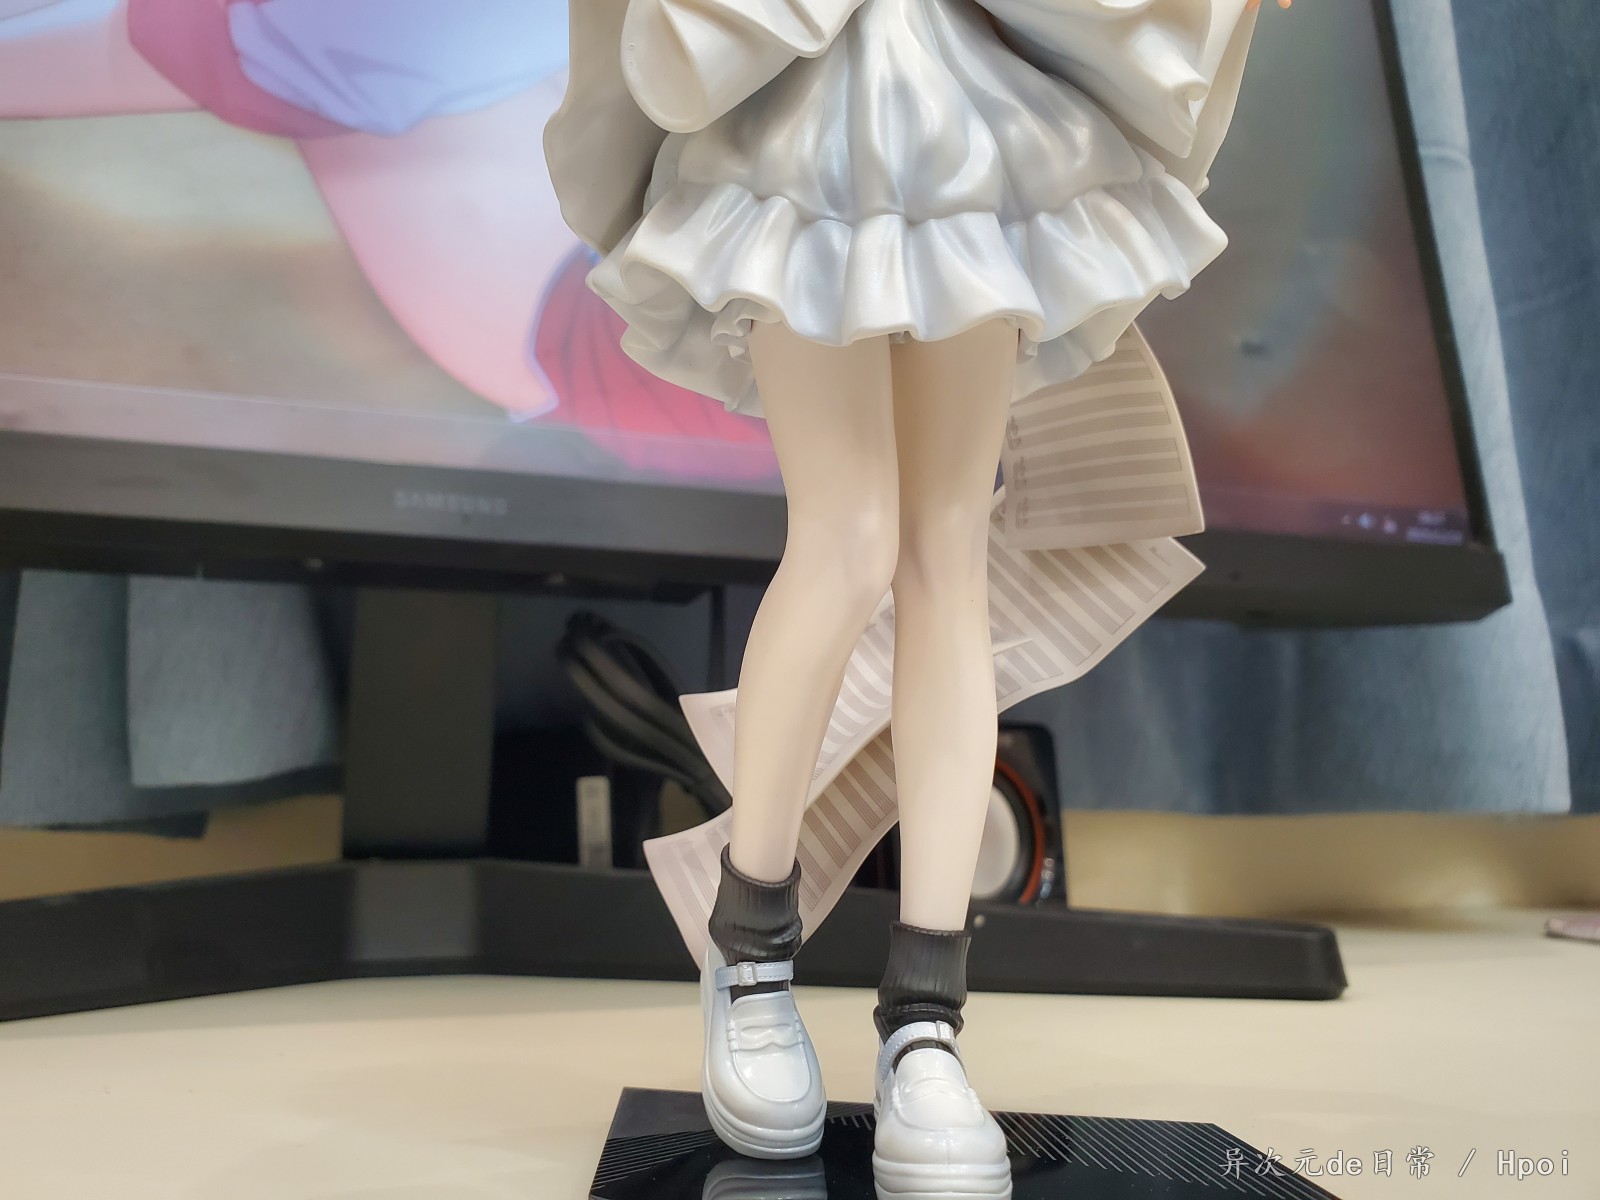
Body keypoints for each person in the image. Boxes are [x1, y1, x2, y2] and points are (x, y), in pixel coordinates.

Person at [547, 0, 1290, 1195]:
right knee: (847, 537)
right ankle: (750, 952)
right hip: (803, 105)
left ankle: (927, 1018)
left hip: (974, 108)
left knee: (948, 549)